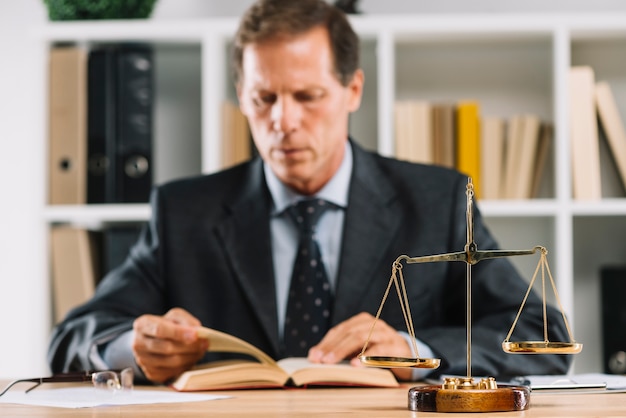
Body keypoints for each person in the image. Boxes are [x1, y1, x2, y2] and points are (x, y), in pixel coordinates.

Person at [48, 0, 571, 384]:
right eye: (264, 98)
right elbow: (73, 336)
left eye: (307, 96)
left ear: (353, 90)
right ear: (241, 97)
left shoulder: (436, 200)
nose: (283, 121)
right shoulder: (184, 212)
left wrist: (418, 348)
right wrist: (132, 347)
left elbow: (542, 333)